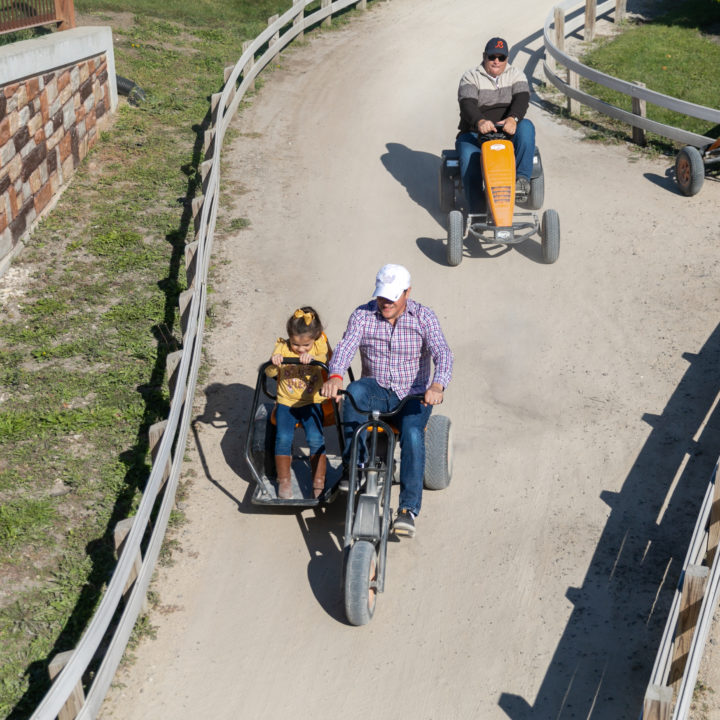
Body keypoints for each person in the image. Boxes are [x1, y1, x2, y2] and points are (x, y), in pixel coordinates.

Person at [321, 264, 453, 538]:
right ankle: (353, 467)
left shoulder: (423, 317)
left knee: (413, 435)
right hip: (377, 390)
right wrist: (334, 376)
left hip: (413, 395)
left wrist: (437, 385)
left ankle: (407, 509)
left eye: (392, 297)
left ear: (407, 292)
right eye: (382, 296)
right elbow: (346, 346)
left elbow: (442, 352)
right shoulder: (363, 314)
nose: (385, 303)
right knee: (354, 393)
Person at [455, 37, 535, 213]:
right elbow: (467, 104)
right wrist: (480, 121)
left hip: (507, 132)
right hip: (475, 134)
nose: (496, 61)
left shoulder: (516, 75)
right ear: (485, 56)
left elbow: (523, 98)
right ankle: (478, 209)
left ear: (507, 58)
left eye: (501, 57)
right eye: (492, 57)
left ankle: (521, 180)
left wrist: (513, 118)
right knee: (470, 158)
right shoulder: (471, 76)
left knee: (527, 127)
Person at [266, 307, 329, 499]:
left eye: (305, 346)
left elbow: (325, 359)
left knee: (315, 438)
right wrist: (273, 363)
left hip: (311, 402)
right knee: (283, 437)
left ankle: (318, 481)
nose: (300, 349)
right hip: (287, 402)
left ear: (315, 338)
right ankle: (284, 481)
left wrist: (312, 358)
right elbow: (269, 374)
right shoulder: (282, 348)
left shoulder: (319, 346)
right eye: (295, 345)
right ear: (289, 338)